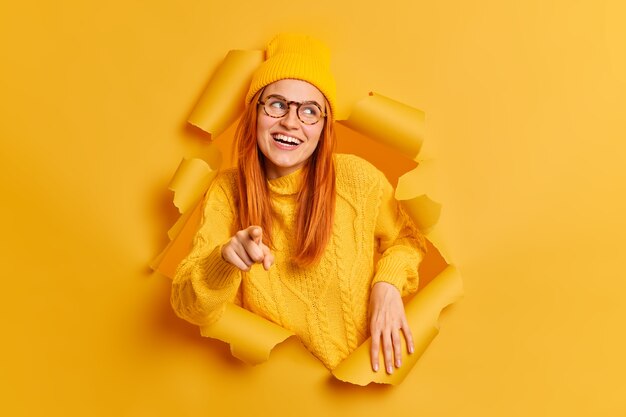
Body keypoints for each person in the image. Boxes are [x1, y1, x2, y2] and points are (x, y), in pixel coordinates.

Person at [171, 34, 426, 374]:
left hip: (365, 390)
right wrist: (224, 259)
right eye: (277, 104)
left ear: (323, 127)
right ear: (255, 113)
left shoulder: (356, 178)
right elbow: (188, 306)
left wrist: (388, 283)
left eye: (309, 111)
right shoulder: (227, 192)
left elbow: (409, 239)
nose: (291, 122)